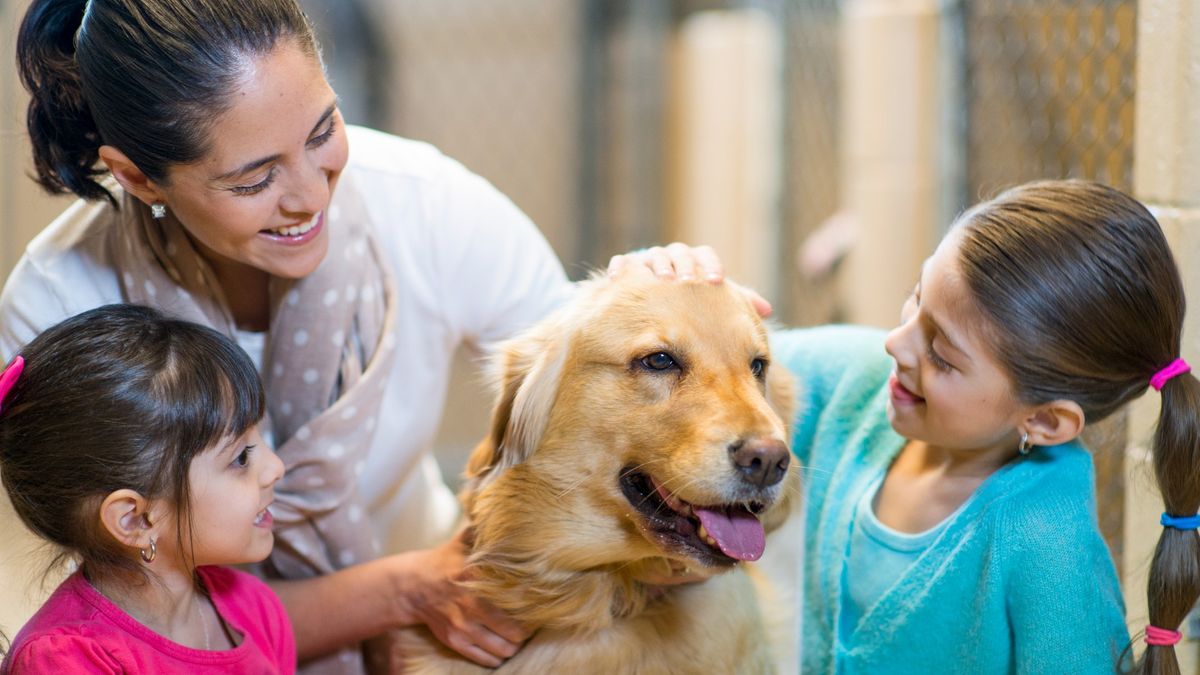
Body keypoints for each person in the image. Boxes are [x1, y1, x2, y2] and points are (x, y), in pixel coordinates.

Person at [3, 1, 750, 672]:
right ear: (138, 178)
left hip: (455, 601)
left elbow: (583, 393)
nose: (310, 194)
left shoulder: (428, 205)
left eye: (324, 131)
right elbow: (131, 610)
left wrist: (652, 305)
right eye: (253, 179)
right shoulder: (60, 304)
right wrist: (399, 594)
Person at [772, 179, 1188, 673]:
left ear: (1044, 420)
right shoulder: (860, 382)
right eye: (916, 297)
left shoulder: (1051, 551)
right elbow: (711, 368)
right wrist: (666, 271)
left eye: (942, 357)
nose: (896, 344)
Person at [0, 304, 292, 673]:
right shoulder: (68, 659)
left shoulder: (257, 609)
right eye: (241, 458)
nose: (276, 468)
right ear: (136, 520)